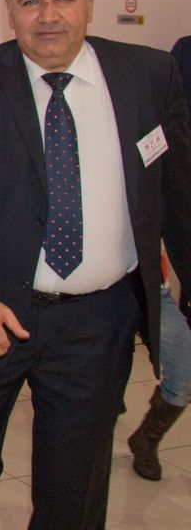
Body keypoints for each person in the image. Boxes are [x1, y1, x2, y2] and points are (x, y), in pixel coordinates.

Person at [0, 0, 191, 529]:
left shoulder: (148, 74)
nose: (48, 16)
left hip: (99, 320)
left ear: (90, 2)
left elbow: (178, 192)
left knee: (75, 484)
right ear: (9, 9)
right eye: (30, 1)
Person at [126, 34, 191, 480]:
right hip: (115, 280)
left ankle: (146, 437)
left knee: (183, 372)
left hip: (162, 279)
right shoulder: (182, 57)